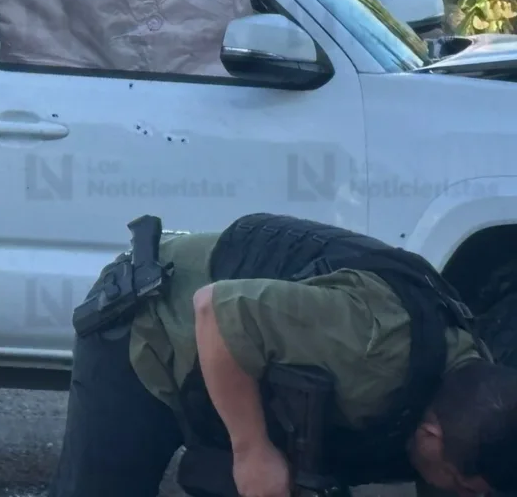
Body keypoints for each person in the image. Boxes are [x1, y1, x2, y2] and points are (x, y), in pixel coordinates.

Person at [48, 212, 517, 497]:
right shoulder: (371, 343)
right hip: (152, 324)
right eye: (465, 488)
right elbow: (216, 309)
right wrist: (251, 451)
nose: (466, 494)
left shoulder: (474, 382)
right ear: (431, 434)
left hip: (239, 366)